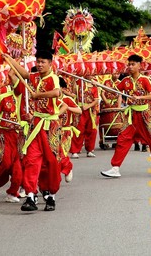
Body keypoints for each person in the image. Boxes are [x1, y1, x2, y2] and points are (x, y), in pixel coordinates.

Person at [6, 50, 62, 212]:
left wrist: (39, 94)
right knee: (31, 159)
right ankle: (31, 195)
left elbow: (57, 92)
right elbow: (22, 73)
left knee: (51, 162)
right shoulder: (35, 76)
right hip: (35, 123)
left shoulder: (53, 78)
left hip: (50, 125)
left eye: (43, 62)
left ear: (50, 63)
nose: (39, 64)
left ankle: (50, 194)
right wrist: (9, 59)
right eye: (38, 61)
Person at [101, 54, 151, 179]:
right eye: (129, 64)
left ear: (139, 66)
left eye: (133, 64)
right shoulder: (125, 81)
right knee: (122, 139)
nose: (130, 67)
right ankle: (115, 168)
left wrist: (140, 97)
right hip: (131, 116)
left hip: (144, 116)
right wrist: (99, 86)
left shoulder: (146, 80)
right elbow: (115, 92)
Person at [69, 75, 99, 158]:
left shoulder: (94, 85)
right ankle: (75, 151)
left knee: (92, 130)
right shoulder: (79, 82)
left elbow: (96, 100)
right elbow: (74, 93)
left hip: (90, 111)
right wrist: (75, 80)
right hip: (80, 110)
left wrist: (88, 106)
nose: (90, 75)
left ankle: (90, 150)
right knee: (78, 129)